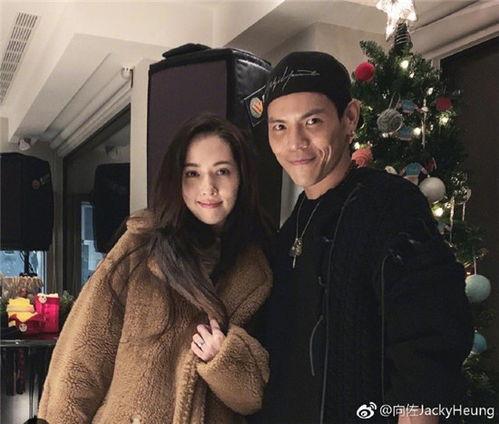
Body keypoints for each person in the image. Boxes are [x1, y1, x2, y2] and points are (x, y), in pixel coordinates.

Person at [254, 52, 473, 424]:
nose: (295, 143)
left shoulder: (388, 205)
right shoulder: (291, 226)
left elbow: (428, 344)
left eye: (312, 121)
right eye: (279, 127)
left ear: (350, 118)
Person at [37, 114, 272, 424]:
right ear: (177, 179)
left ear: (241, 177)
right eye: (192, 173)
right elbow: (82, 357)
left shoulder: (256, 271)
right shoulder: (141, 247)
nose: (208, 187)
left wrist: (224, 357)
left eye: (222, 171)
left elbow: (256, 397)